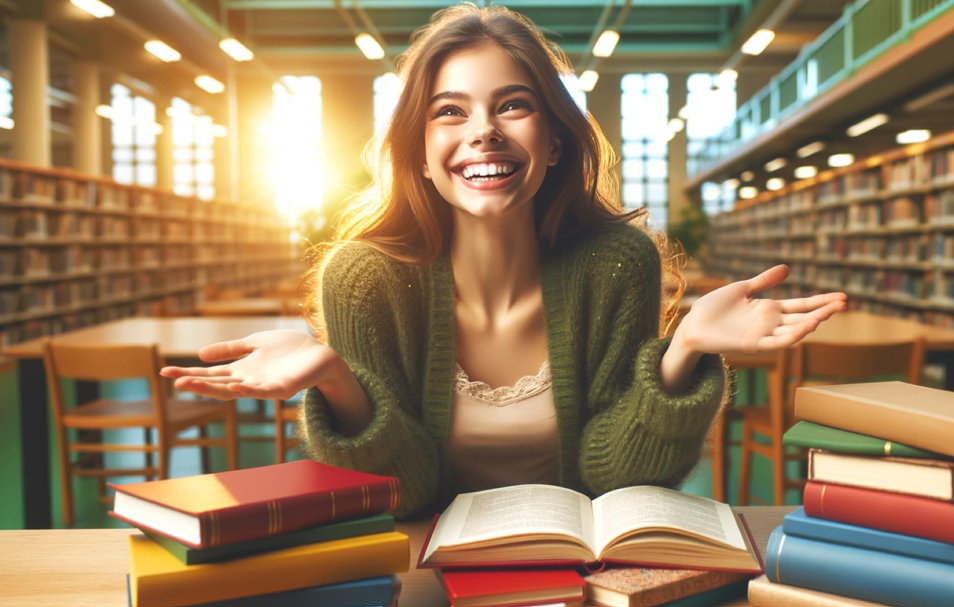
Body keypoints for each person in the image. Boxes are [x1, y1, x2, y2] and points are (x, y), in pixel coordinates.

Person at [161, 4, 846, 518]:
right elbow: (407, 491)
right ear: (420, 155)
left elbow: (611, 472)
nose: (482, 130)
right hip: (424, 566)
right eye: (449, 112)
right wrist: (337, 379)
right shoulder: (365, 278)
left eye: (512, 106)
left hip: (578, 566)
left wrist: (685, 345)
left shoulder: (615, 263)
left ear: (551, 140)